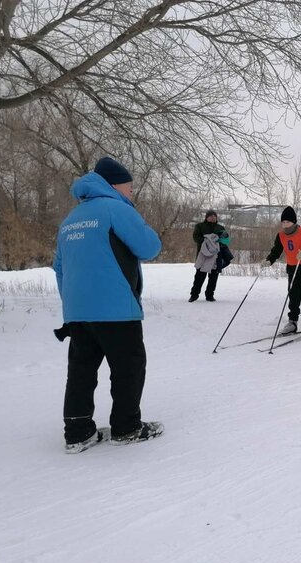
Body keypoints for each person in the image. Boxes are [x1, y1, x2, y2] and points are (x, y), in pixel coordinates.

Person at [52, 157, 163, 453]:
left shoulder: (70, 219)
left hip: (78, 311)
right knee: (128, 367)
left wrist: (72, 305)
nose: (131, 194)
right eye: (129, 188)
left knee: (81, 371)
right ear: (113, 186)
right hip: (116, 308)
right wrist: (135, 215)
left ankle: (77, 432)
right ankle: (126, 427)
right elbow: (150, 247)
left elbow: (59, 268)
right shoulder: (116, 209)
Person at [261, 206, 301, 334]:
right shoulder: (281, 235)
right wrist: (269, 260)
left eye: (287, 222)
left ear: (294, 222)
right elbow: (276, 250)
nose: (285, 225)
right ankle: (292, 322)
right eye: (283, 222)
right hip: (292, 269)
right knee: (293, 297)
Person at [189, 209, 226, 302]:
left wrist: (218, 242)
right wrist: (207, 243)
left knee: (213, 277)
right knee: (199, 276)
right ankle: (194, 295)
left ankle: (210, 295)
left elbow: (226, 240)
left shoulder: (220, 228)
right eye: (211, 216)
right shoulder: (200, 226)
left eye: (214, 216)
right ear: (206, 217)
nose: (213, 217)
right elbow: (196, 237)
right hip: (203, 255)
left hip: (216, 256)